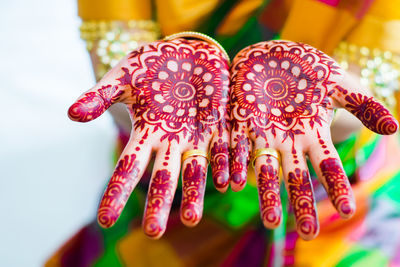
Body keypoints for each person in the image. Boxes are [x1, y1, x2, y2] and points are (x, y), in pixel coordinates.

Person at [46, 0, 400, 266]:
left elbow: (370, 89)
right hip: (171, 174)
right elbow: (119, 73)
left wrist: (316, 100)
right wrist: (158, 92)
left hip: (329, 179)